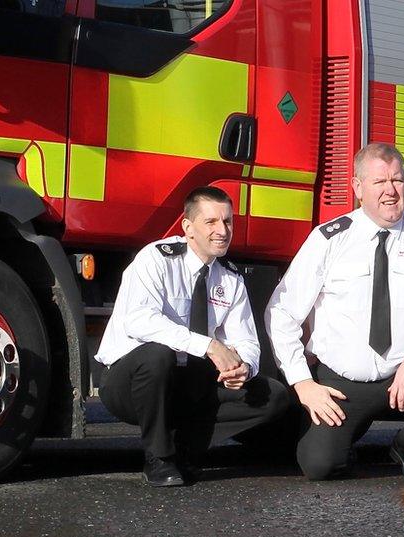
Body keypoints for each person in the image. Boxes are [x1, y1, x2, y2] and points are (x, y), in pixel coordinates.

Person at [265, 143, 404, 480]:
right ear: (357, 188)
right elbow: (281, 313)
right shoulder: (329, 240)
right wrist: (302, 382)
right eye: (379, 182)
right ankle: (345, 435)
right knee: (319, 465)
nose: (390, 191)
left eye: (397, 180)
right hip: (344, 384)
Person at [95, 187, 288, 487]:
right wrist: (210, 345)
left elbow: (248, 340)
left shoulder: (231, 279)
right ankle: (158, 458)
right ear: (188, 227)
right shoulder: (156, 259)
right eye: (211, 222)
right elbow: (139, 320)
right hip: (131, 382)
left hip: (189, 381)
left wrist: (243, 368)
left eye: (227, 222)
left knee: (272, 396)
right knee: (157, 354)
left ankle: (183, 448)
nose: (222, 231)